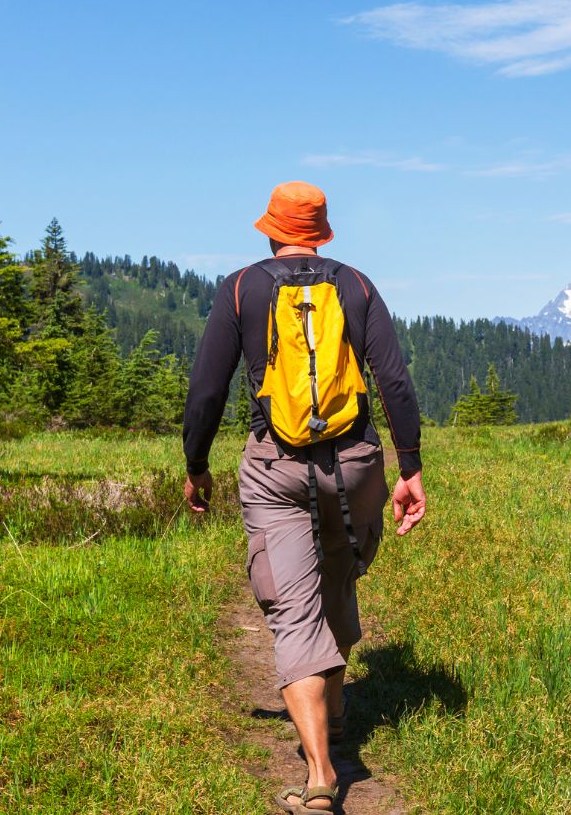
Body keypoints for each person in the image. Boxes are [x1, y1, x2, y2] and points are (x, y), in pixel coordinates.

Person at [182, 181, 427, 814]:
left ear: (271, 230)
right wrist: (411, 468)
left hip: (275, 466)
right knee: (339, 575)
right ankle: (337, 710)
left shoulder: (243, 286)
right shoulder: (357, 284)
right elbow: (393, 381)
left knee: (293, 607)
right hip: (356, 464)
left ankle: (321, 774)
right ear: (321, 231)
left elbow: (207, 389)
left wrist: (197, 465)